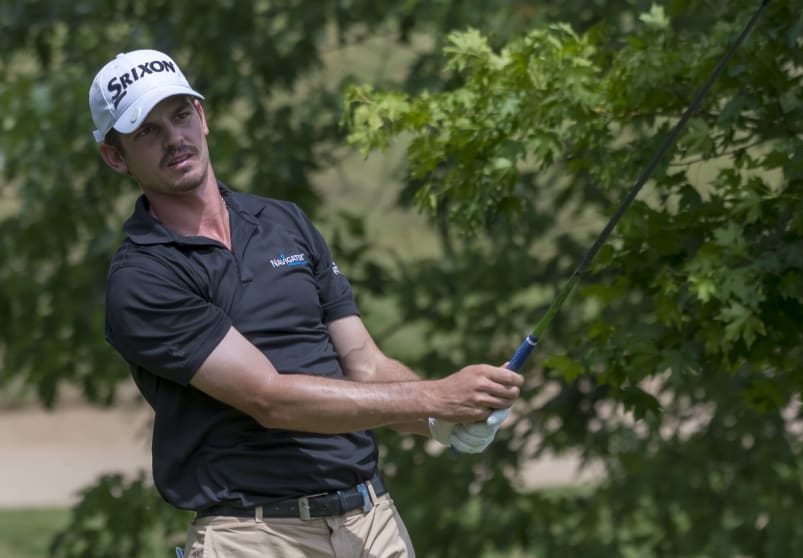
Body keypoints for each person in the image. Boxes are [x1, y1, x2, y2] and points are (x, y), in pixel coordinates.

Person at [90, 49, 523, 557]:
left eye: (181, 115)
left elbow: (365, 364)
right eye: (147, 131)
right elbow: (270, 398)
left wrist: (443, 422)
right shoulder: (144, 277)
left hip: (372, 522)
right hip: (254, 536)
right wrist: (435, 399)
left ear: (203, 118)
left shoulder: (283, 221)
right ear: (115, 156)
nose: (174, 139)